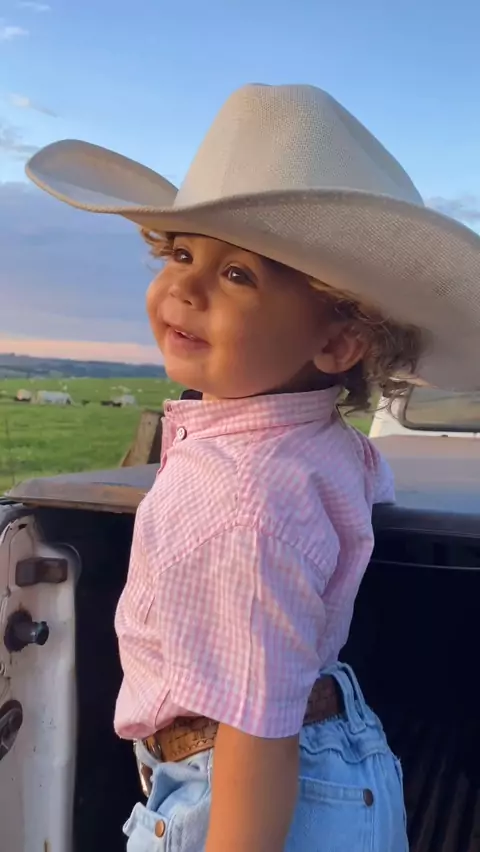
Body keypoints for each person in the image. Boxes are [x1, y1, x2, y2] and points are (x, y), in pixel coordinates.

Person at [26, 83, 480, 851]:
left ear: (336, 343)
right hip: (336, 753)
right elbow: (366, 489)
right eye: (181, 252)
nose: (184, 287)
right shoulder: (324, 447)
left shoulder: (238, 496)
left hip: (239, 788)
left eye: (238, 274)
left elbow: (255, 731)